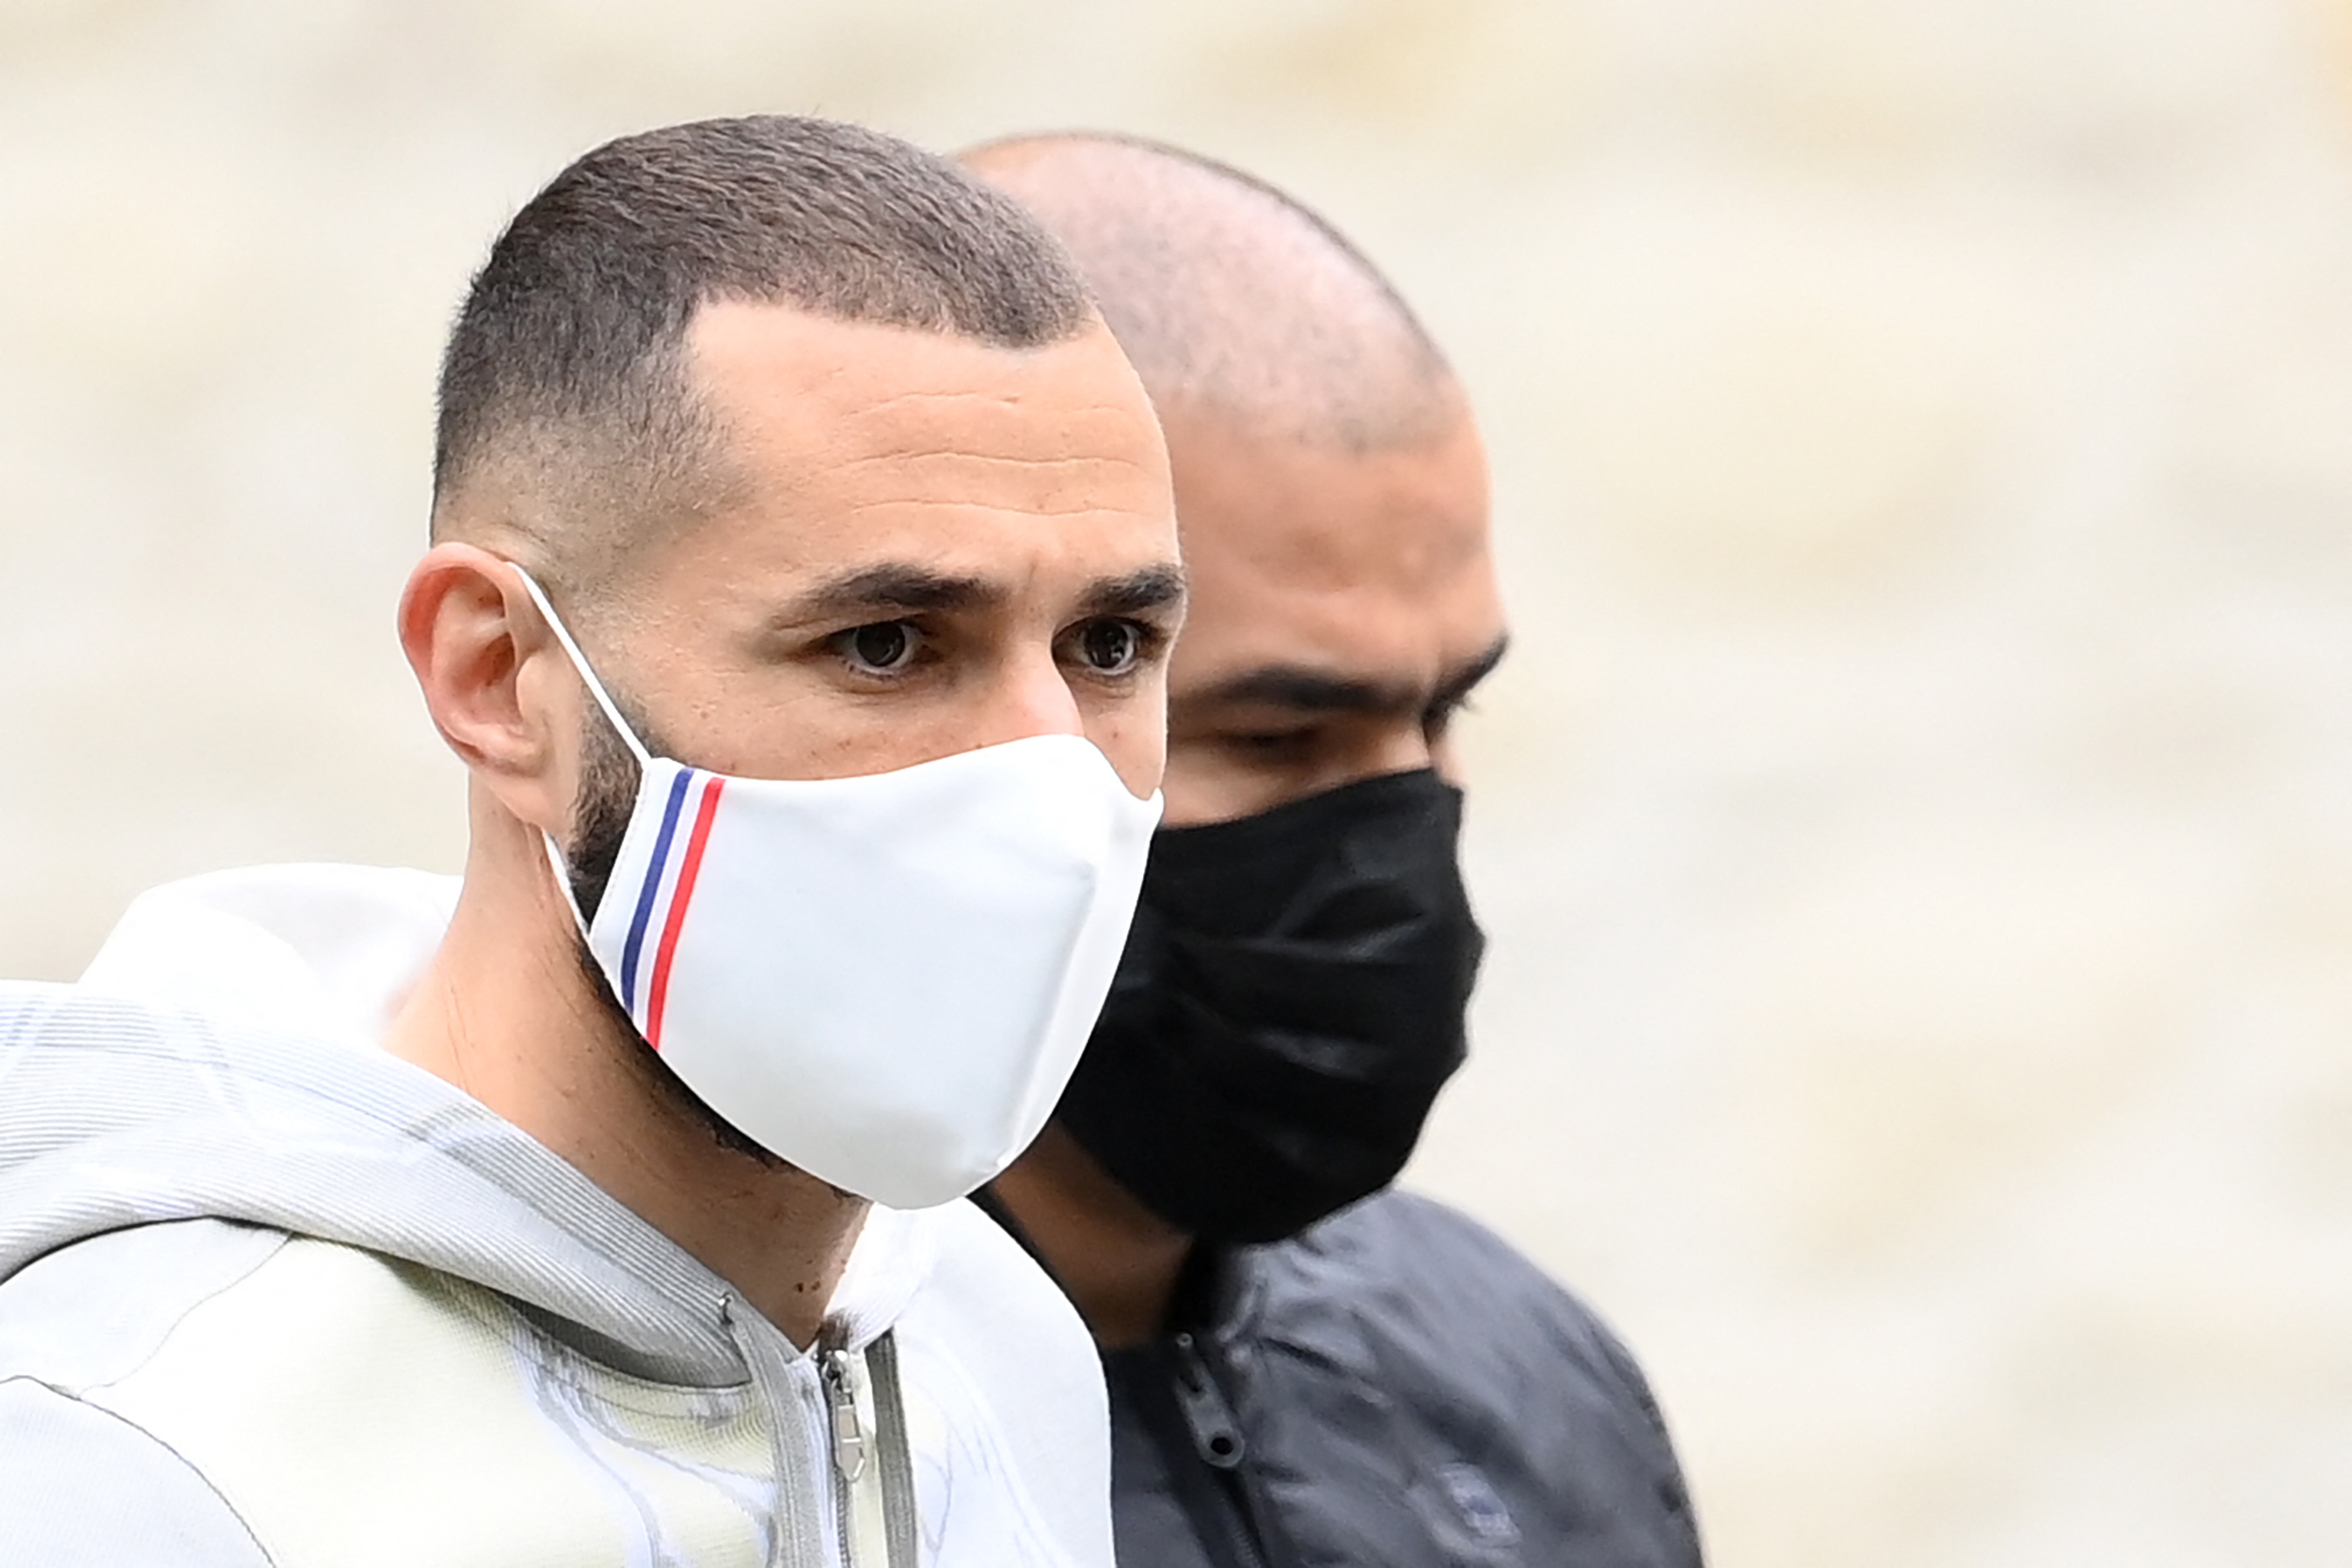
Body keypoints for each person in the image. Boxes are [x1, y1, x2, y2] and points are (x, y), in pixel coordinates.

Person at [0, 115, 1186, 1567]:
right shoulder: (140, 1464)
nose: (1045, 776)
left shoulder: (998, 1357)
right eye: (886, 643)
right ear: (498, 677)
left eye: (1111, 643)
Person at [961, 133, 1705, 1568]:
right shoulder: (705, 1470)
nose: (1398, 828)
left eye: (1443, 711)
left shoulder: (1524, 1382)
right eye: (1282, 735)